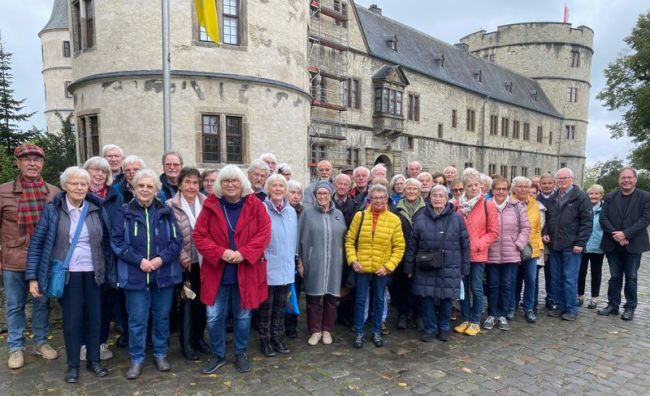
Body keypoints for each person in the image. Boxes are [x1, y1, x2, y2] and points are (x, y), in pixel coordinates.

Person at [26, 166, 112, 383]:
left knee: (95, 319)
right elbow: (37, 244)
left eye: (83, 183)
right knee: (72, 321)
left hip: (95, 273)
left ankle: (94, 360)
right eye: (74, 183)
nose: (79, 187)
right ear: (65, 186)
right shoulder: (53, 210)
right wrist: (33, 277)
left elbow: (108, 242)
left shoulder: (96, 208)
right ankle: (72, 365)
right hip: (67, 274)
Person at [193, 165, 271, 374]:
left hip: (245, 270)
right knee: (213, 316)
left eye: (234, 180)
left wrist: (244, 253)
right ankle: (218, 354)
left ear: (242, 182)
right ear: (220, 184)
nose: (230, 184)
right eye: (226, 181)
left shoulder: (256, 205)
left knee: (243, 316)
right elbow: (199, 236)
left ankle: (240, 353)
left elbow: (264, 234)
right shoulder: (211, 205)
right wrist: (221, 252)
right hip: (217, 270)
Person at [111, 169, 183, 379]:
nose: (144, 189)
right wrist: (139, 261)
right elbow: (116, 242)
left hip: (164, 275)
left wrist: (160, 259)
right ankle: (137, 358)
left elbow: (176, 241)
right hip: (134, 276)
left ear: (156, 190)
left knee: (161, 318)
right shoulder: (124, 212)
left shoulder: (166, 212)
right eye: (140, 186)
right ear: (133, 189)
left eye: (149, 186)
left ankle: (160, 354)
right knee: (137, 319)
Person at [0, 143, 59, 370]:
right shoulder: (3, 192)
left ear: (42, 163)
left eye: (37, 159)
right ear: (18, 163)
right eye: (27, 159)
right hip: (14, 260)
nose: (32, 163)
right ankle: (16, 347)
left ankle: (41, 342)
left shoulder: (53, 192)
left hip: (43, 260)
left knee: (42, 303)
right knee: (15, 305)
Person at [404, 185, 470, 342]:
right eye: (435, 196)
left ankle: (444, 327)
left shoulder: (457, 219)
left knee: (447, 298)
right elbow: (412, 245)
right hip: (426, 265)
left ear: (446, 198)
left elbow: (465, 245)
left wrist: (464, 267)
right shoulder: (420, 218)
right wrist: (409, 267)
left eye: (441, 196)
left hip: (451, 264)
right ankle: (430, 328)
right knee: (426, 298)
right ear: (430, 198)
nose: (438, 199)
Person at [346, 184, 405, 349]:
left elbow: (399, 247)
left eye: (381, 198)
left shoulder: (394, 219)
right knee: (360, 300)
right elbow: (350, 241)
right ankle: (359, 332)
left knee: (380, 300)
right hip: (362, 267)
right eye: (375, 198)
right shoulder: (360, 216)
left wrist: (388, 267)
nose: (378, 201)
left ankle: (377, 331)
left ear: (386, 199)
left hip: (381, 268)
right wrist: (353, 260)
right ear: (370, 199)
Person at [297, 181, 347, 345]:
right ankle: (315, 331)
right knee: (313, 298)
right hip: (314, 261)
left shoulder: (338, 214)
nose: (323, 196)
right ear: (315, 196)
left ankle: (327, 330)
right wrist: (300, 261)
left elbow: (344, 238)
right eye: (319, 194)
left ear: (330, 194)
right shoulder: (307, 213)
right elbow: (299, 238)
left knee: (331, 298)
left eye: (326, 193)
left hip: (334, 262)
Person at [598, 167, 650, 321]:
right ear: (619, 180)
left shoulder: (645, 197)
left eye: (629, 177)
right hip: (613, 243)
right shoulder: (610, 196)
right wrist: (617, 235)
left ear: (635, 179)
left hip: (634, 244)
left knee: (631, 277)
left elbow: (645, 220)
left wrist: (625, 234)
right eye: (623, 178)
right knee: (614, 276)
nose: (626, 180)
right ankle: (613, 305)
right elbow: (603, 218)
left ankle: (630, 307)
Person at [167, 167, 208, 361]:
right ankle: (187, 344)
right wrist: (183, 257)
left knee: (202, 303)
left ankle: (199, 339)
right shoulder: (170, 205)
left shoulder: (207, 203)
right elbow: (171, 236)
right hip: (185, 265)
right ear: (180, 184)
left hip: (205, 263)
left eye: (195, 182)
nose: (191, 186)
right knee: (187, 304)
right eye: (187, 182)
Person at [453, 168, 499, 337]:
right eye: (469, 185)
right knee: (463, 288)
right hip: (461, 254)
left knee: (477, 287)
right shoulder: (458, 206)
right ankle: (465, 318)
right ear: (464, 187)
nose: (473, 188)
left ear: (481, 186)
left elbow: (493, 232)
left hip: (478, 254)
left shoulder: (488, 205)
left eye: (476, 185)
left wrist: (479, 244)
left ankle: (475, 320)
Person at [82, 157, 119, 361]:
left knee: (106, 303)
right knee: (86, 304)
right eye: (94, 170)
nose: (98, 175)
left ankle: (102, 342)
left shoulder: (114, 197)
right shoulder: (79, 195)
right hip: (86, 259)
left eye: (103, 172)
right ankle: (84, 344)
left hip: (110, 259)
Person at [543, 168, 592, 321]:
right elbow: (549, 218)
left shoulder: (581, 197)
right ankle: (559, 306)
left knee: (570, 279)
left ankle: (571, 308)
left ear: (572, 179)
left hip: (572, 246)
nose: (562, 181)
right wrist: (545, 231)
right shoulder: (553, 198)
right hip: (555, 245)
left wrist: (580, 242)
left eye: (565, 178)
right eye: (560, 178)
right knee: (556, 278)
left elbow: (587, 222)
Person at [484, 177, 530, 331]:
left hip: (511, 254)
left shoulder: (516, 206)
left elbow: (525, 228)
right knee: (492, 285)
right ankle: (492, 314)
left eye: (504, 189)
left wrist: (518, 244)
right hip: (491, 253)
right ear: (493, 190)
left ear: (508, 190)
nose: (501, 192)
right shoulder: (487, 206)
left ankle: (502, 315)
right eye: (498, 189)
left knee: (507, 285)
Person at [258, 174, 297, 357]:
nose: (279, 189)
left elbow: (293, 240)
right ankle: (265, 340)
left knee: (281, 307)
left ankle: (277, 338)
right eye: (275, 185)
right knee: (266, 308)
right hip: (267, 267)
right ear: (268, 189)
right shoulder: (262, 209)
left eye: (282, 185)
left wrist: (295, 260)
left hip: (286, 266)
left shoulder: (291, 212)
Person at [392, 178, 426, 331]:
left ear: (419, 191)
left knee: (419, 286)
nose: (411, 191)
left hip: (421, 254)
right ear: (403, 191)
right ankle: (403, 314)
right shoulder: (395, 209)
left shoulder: (427, 209)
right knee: (402, 285)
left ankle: (418, 315)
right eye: (409, 188)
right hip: (402, 253)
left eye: (414, 189)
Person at [511, 177, 544, 323]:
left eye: (526, 186)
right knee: (513, 280)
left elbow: (537, 229)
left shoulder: (534, 204)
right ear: (514, 188)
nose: (523, 189)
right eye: (520, 186)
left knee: (531, 280)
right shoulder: (508, 203)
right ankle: (511, 306)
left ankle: (529, 308)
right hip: (513, 248)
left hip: (531, 249)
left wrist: (540, 248)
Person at [577, 184, 605, 309]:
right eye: (591, 194)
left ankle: (594, 298)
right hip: (584, 245)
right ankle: (580, 296)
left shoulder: (605, 209)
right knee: (581, 272)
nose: (593, 196)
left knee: (596, 273)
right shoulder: (583, 207)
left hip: (598, 246)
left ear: (601, 195)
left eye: (596, 194)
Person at [284, 180, 304, 338]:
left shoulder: (304, 212)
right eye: (293, 192)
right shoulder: (281, 209)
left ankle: (291, 326)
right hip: (282, 258)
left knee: (294, 293)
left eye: (298, 193)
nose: (296, 196)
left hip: (296, 258)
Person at [537, 173, 555, 309]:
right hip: (538, 241)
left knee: (551, 272)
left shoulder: (558, 198)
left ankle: (551, 298)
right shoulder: (535, 199)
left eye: (549, 183)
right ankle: (533, 300)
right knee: (534, 273)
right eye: (544, 183)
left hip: (553, 241)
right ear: (540, 185)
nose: (547, 186)